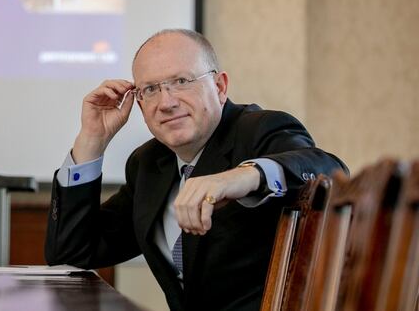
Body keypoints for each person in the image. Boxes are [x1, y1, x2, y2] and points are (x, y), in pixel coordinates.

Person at [44, 29, 347, 311]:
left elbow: (329, 170)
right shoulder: (148, 164)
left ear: (219, 86)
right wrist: (91, 141)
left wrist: (242, 176)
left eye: (182, 81)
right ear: (138, 104)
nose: (166, 102)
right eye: (150, 89)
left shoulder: (258, 130)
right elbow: (71, 256)